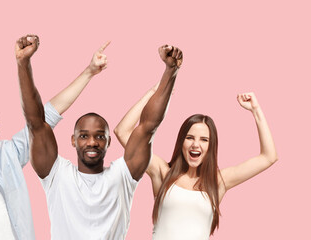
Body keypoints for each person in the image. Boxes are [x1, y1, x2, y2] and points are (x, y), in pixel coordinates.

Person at [24, 38, 183, 239]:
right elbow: (35, 122)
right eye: (83, 136)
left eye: (100, 136)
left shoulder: (122, 176)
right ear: (73, 141)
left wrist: (170, 71)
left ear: (108, 142)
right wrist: (23, 63)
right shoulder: (57, 175)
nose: (92, 142)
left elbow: (148, 127)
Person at [114, 89, 277, 239]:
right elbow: (122, 132)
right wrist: (154, 93)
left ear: (210, 146)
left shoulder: (218, 181)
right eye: (190, 138)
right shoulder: (163, 172)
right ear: (181, 142)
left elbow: (268, 157)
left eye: (204, 140)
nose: (195, 145)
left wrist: (256, 110)